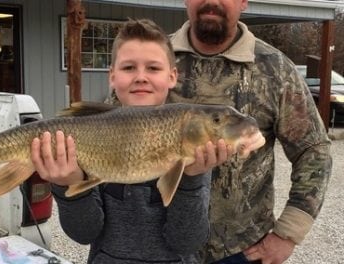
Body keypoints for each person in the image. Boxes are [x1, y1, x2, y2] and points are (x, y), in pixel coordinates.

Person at [31, 19, 235, 264]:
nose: (141, 77)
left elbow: (186, 241)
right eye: (129, 68)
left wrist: (190, 180)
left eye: (153, 68)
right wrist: (68, 184)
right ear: (112, 77)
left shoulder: (194, 147)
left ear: (172, 76)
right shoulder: (88, 133)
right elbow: (84, 233)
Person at [165, 0, 332, 263]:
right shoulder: (153, 61)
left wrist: (288, 233)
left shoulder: (275, 69)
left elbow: (314, 150)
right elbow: (115, 132)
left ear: (243, 2)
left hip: (241, 251)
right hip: (159, 245)